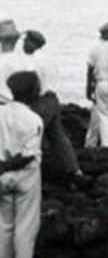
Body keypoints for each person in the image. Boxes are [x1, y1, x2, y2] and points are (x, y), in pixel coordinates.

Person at [20, 30, 92, 187]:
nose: (23, 44)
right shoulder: (47, 59)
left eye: (25, 41)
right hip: (53, 100)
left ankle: (29, 175)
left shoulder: (33, 61)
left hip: (40, 101)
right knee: (58, 137)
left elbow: (32, 85)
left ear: (33, 43)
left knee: (29, 137)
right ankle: (74, 170)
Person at [0, 71, 45, 258]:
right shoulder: (34, 119)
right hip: (26, 176)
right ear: (33, 92)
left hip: (1, 175)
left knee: (4, 224)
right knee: (26, 225)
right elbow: (28, 155)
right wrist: (9, 165)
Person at [85, 22, 108, 148]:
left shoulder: (95, 49)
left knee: (103, 115)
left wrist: (88, 89)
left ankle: (105, 143)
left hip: (101, 83)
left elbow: (90, 70)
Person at [0, 20, 28, 104]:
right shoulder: (25, 61)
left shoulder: (1, 61)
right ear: (16, 39)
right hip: (25, 105)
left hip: (4, 105)